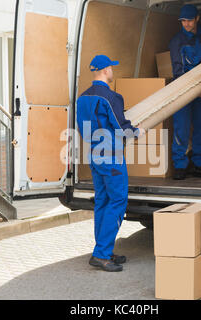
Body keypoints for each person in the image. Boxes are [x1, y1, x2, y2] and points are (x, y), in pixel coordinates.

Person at [76, 54, 145, 272]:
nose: (113, 72)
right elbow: (120, 125)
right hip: (112, 155)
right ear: (106, 70)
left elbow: (83, 129)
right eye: (112, 68)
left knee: (103, 202)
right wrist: (137, 132)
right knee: (117, 202)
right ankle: (102, 254)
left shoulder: (83, 98)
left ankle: (103, 249)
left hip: (95, 154)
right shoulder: (111, 97)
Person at [169, 4, 201, 180]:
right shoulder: (176, 42)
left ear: (197, 18)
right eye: (183, 21)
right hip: (183, 90)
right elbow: (178, 70)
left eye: (189, 20)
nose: (186, 24)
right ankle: (180, 165)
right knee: (181, 127)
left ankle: (199, 164)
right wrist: (193, 90)